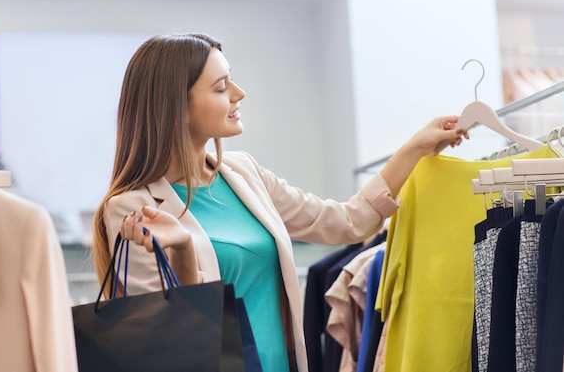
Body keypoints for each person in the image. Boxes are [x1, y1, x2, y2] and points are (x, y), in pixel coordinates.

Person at [92, 33, 468, 372]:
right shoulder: (130, 207)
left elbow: (347, 222)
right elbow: (171, 339)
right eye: (222, 87)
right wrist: (184, 248)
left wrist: (416, 147)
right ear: (178, 106)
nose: (239, 93)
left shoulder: (244, 174)